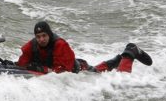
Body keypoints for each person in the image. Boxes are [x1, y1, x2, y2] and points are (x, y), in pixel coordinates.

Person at [17, 20, 153, 74]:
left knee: (119, 79)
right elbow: (22, 64)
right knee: (100, 70)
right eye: (38, 36)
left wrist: (41, 69)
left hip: (79, 71)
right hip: (76, 68)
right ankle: (116, 61)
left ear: (49, 34)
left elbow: (62, 72)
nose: (41, 39)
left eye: (44, 35)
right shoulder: (32, 45)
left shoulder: (60, 45)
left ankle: (130, 52)